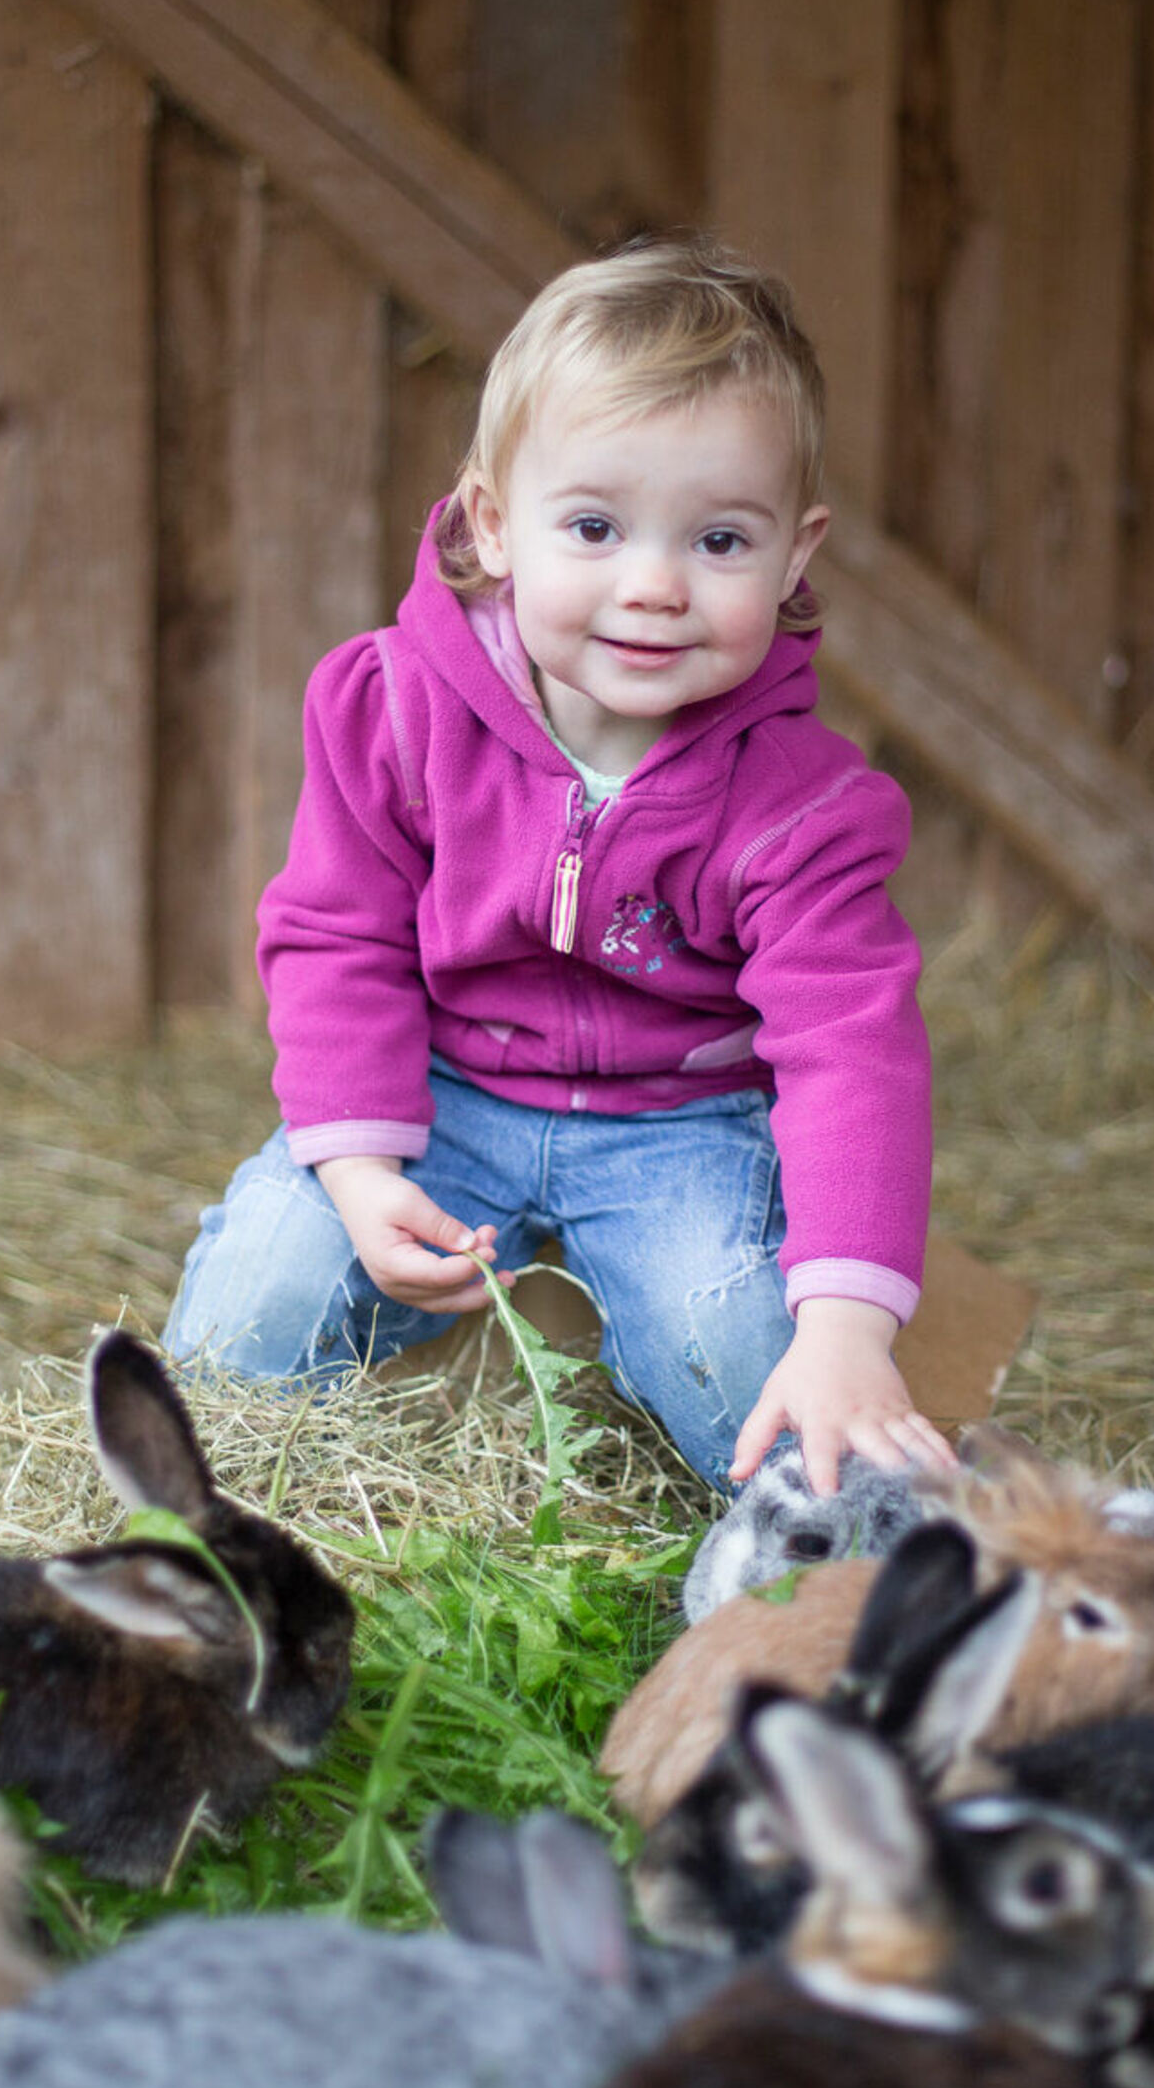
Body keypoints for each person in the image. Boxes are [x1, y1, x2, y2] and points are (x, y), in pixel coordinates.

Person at [164, 235, 950, 1496]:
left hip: (678, 1131)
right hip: (447, 1097)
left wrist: (847, 1326)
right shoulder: (395, 711)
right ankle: (202, 1549)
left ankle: (854, 1598)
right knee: (250, 1309)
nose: (652, 586)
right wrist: (362, 1172)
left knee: (754, 1373)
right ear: (494, 521)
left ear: (796, 554)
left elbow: (851, 1045)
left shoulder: (802, 808)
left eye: (721, 543)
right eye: (594, 524)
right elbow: (339, 936)